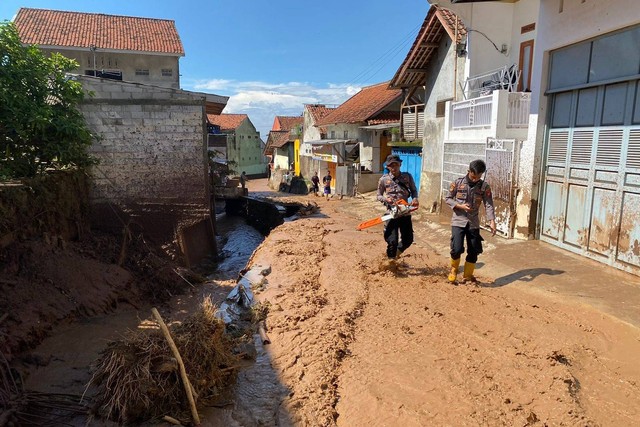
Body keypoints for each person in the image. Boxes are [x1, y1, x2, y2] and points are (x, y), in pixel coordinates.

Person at [445, 159, 496, 284]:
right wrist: (460, 206)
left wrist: (492, 220)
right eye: (473, 176)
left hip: (473, 223)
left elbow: (488, 204)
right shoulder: (458, 183)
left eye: (478, 177)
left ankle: (468, 276)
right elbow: (448, 198)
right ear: (469, 171)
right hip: (458, 221)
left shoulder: (484, 187)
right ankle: (454, 269)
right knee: (456, 248)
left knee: (474, 250)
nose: (475, 180)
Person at [376, 154, 419, 260]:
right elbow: (378, 195)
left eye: (396, 165)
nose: (394, 168)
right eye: (391, 165)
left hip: (405, 213)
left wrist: (415, 199)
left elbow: (414, 191)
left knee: (408, 239)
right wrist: (386, 199)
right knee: (392, 242)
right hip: (391, 214)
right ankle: (390, 265)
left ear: (400, 165)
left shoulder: (407, 177)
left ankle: (396, 254)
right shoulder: (383, 180)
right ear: (388, 166)